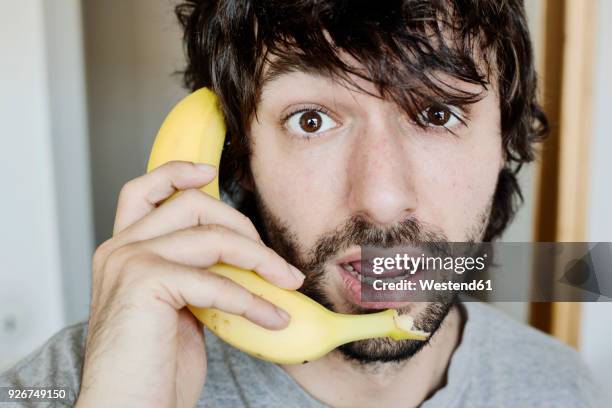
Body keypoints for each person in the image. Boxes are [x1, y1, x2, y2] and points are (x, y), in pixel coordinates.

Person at [1, 1, 602, 407]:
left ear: (505, 140)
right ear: (239, 152)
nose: (383, 199)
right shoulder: (71, 383)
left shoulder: (560, 385)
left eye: (437, 113)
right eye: (311, 119)